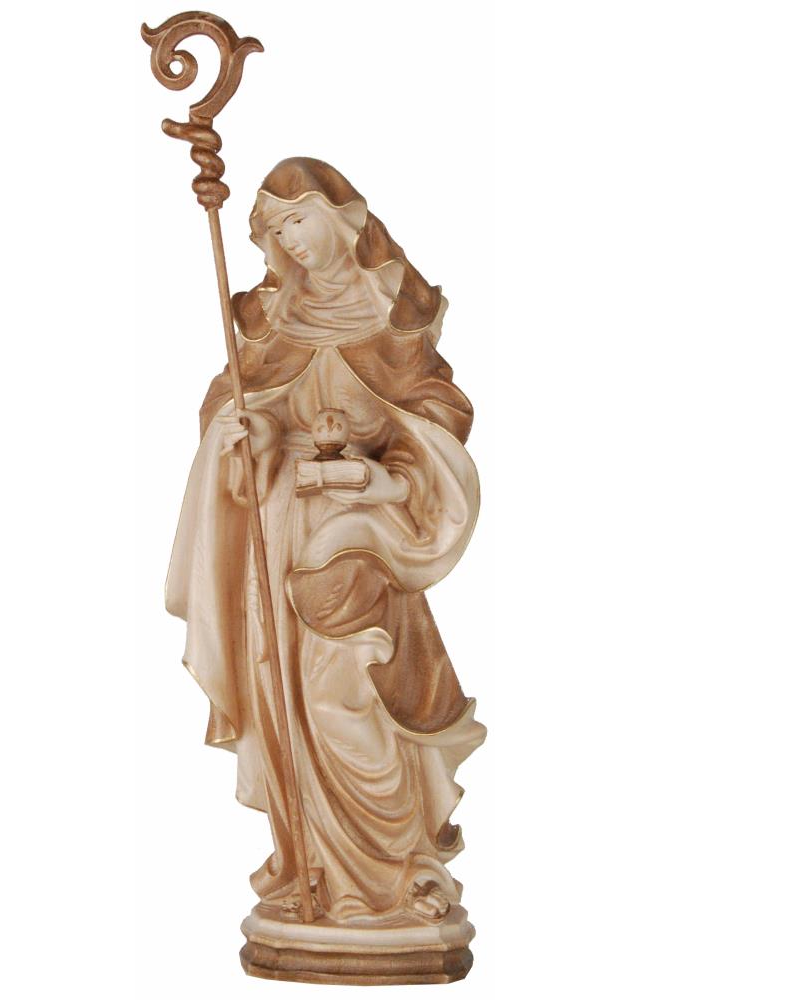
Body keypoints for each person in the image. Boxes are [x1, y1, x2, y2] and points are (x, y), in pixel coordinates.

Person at [166, 157, 485, 925]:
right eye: (276, 230)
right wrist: (243, 440)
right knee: (284, 700)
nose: (291, 241)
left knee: (347, 695)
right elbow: (239, 414)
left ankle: (396, 871)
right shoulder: (269, 322)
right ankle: (313, 868)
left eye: (299, 218)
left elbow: (434, 423)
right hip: (279, 532)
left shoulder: (393, 316)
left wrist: (385, 481)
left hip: (364, 538)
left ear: (343, 216)